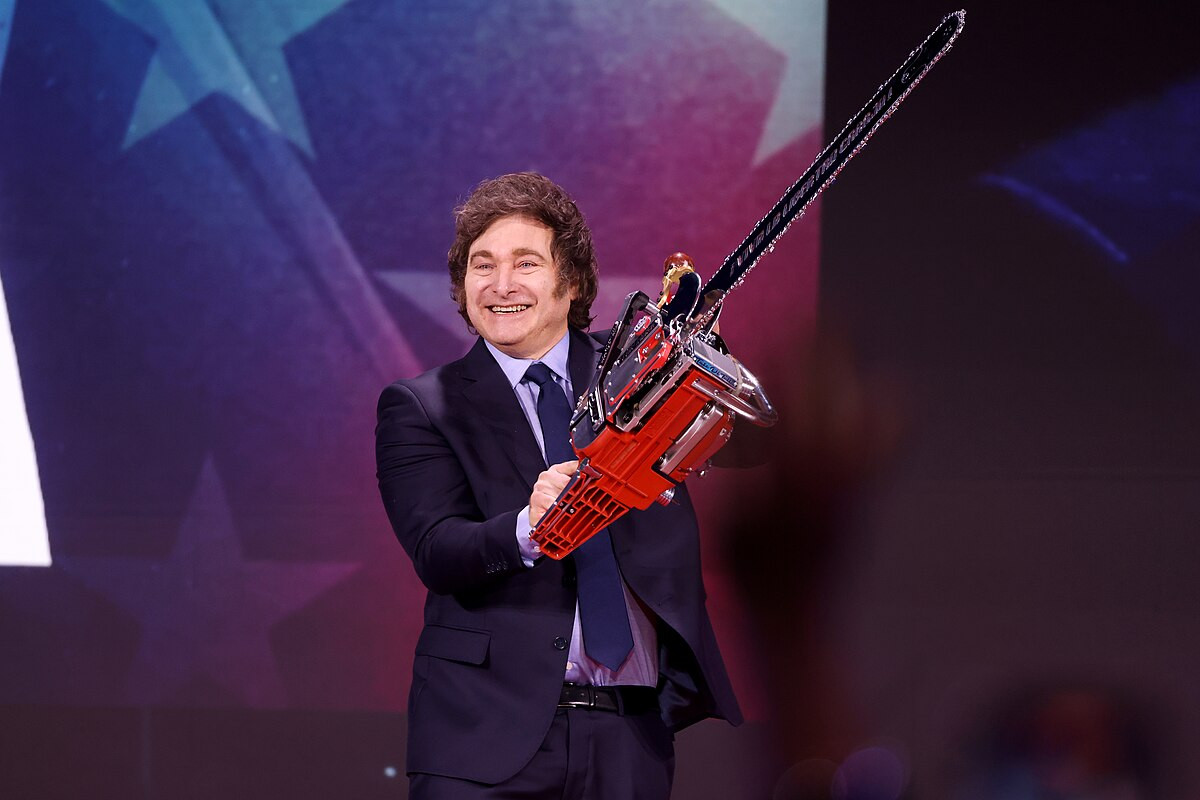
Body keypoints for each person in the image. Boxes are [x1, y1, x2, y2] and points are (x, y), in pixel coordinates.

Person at [375, 172, 741, 799]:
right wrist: (529, 527)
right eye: (482, 265)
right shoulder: (422, 405)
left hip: (630, 734)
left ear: (571, 282)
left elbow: (752, 438)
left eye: (526, 263)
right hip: (482, 738)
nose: (501, 284)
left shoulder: (638, 375)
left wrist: (705, 361)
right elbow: (437, 549)